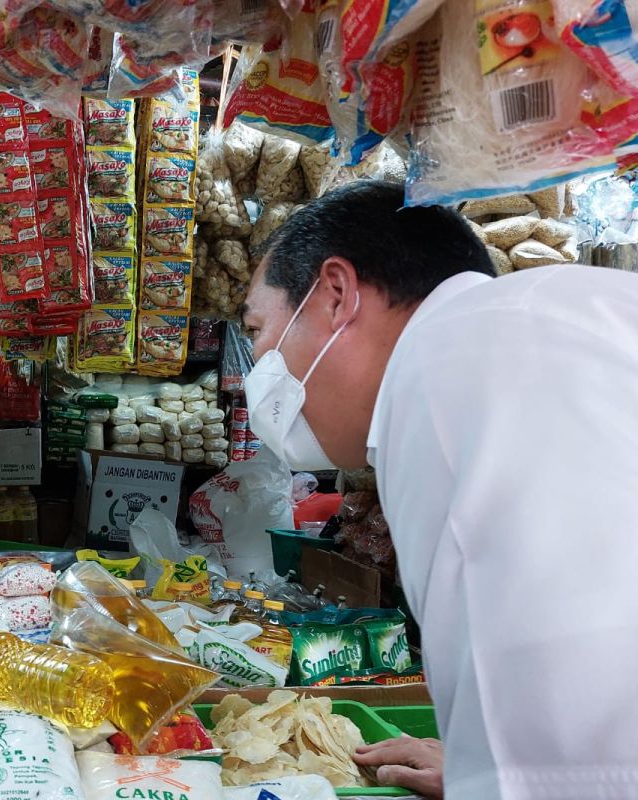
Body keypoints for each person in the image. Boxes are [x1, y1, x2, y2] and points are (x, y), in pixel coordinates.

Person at [241, 180, 638, 800]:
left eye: (258, 331)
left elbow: (578, 754)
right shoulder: (532, 322)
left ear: (337, 295)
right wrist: (482, 753)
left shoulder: (449, 368)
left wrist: (510, 771)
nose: (257, 368)